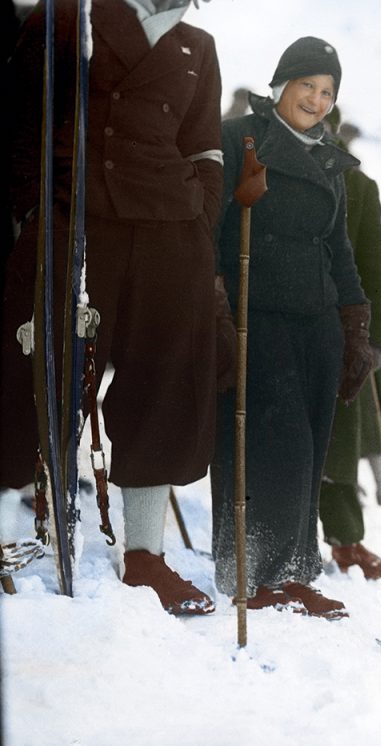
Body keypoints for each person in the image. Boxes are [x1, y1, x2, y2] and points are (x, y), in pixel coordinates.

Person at [2, 0, 224, 614]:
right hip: (77, 220)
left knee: (161, 387)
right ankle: (10, 534)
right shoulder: (66, 17)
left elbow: (205, 147)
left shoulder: (196, 45)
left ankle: (145, 556)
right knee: (35, 373)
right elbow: (21, 123)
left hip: (170, 234)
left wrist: (202, 221)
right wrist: (31, 211)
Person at [210, 36, 374, 618]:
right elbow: (209, 230)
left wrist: (355, 325)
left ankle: (297, 573)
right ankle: (251, 570)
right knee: (273, 449)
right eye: (307, 85)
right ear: (282, 85)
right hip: (259, 317)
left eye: (327, 91)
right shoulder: (239, 140)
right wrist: (218, 310)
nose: (317, 99)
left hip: (317, 322)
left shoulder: (330, 160)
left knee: (310, 451)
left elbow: (339, 247)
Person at [318, 113, 381, 581]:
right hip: (281, 325)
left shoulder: (358, 186)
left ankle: (347, 538)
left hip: (343, 329)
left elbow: (372, 267)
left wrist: (371, 340)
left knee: (344, 437)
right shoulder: (264, 167)